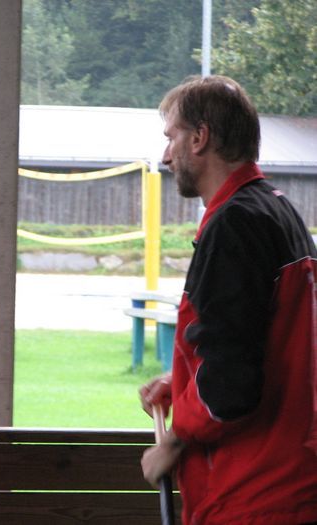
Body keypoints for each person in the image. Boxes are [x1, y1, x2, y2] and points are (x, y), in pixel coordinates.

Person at [139, 75, 317, 524]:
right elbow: (263, 345)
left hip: (254, 495)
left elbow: (230, 386)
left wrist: (175, 439)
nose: (166, 155)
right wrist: (184, 381)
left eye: (172, 137)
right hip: (291, 483)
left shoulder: (234, 226)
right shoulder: (276, 211)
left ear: (200, 138)